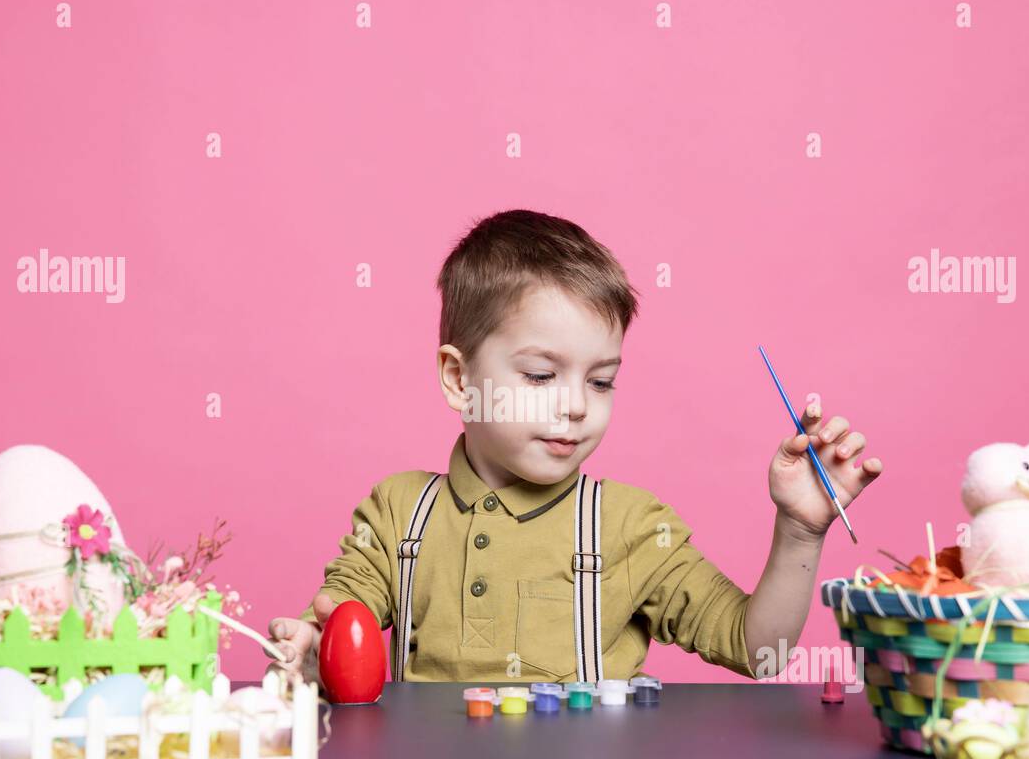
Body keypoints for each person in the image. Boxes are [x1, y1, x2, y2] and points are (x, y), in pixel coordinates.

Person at [266, 209, 882, 687]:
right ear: (460, 380)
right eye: (540, 376)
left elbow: (760, 651)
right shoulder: (397, 512)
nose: (577, 406)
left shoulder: (632, 526)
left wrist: (800, 532)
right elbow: (337, 619)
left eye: (601, 380)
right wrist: (312, 646)